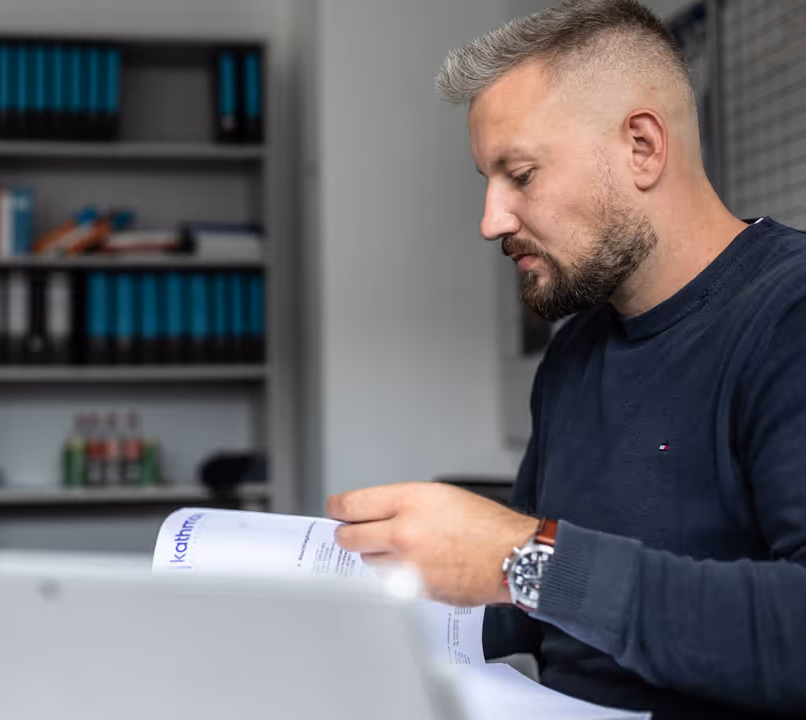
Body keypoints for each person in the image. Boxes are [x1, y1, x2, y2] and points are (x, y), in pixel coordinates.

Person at [326, 1, 806, 717]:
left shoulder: (788, 314)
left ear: (642, 147)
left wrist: (521, 556)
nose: (491, 220)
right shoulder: (575, 351)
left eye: (520, 174)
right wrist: (340, 608)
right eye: (487, 181)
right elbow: (533, 603)